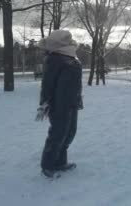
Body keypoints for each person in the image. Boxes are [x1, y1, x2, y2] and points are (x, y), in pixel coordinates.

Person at [35, 30, 83, 179]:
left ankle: (61, 162)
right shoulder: (54, 59)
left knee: (70, 133)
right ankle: (48, 165)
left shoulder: (71, 56)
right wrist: (44, 104)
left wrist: (78, 99)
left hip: (71, 102)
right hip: (58, 104)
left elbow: (76, 84)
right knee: (57, 134)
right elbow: (47, 84)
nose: (70, 41)